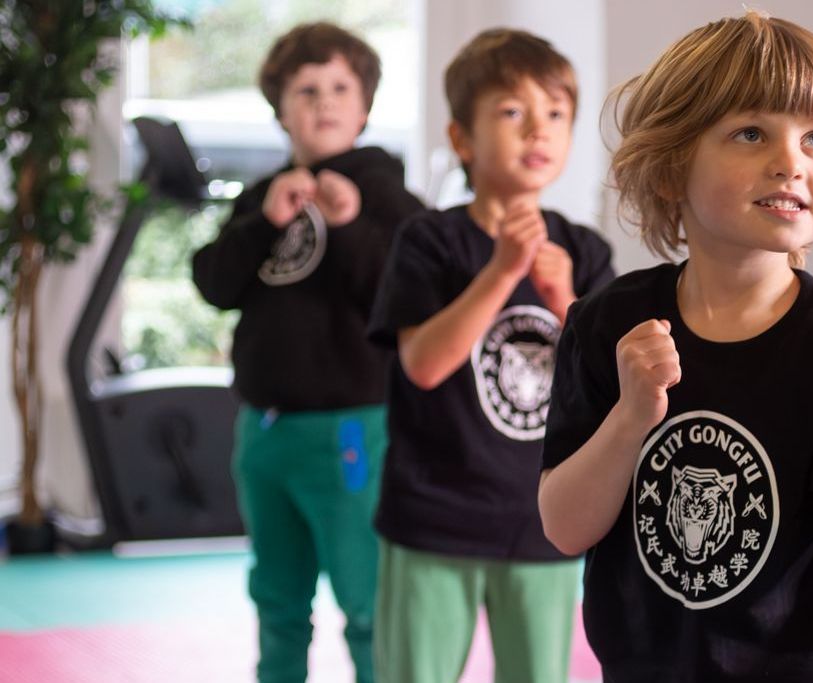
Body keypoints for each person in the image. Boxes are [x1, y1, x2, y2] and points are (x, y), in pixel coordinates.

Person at [538, 11, 813, 682]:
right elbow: (564, 527)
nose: (790, 162)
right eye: (751, 132)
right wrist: (629, 417)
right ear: (672, 167)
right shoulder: (608, 324)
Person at [366, 28, 615, 683]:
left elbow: (610, 382)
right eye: (511, 111)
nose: (538, 129)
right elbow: (422, 365)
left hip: (544, 518)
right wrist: (502, 271)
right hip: (433, 517)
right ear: (462, 139)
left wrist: (565, 302)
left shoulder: (583, 251)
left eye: (555, 113)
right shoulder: (429, 241)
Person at [191, 22, 423, 683]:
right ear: (280, 110)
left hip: (349, 431)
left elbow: (409, 293)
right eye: (307, 89)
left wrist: (347, 226)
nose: (324, 101)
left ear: (364, 107)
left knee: (367, 600)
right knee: (276, 598)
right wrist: (263, 221)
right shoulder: (263, 195)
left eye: (340, 88)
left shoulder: (384, 191)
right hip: (264, 431)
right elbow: (214, 284)